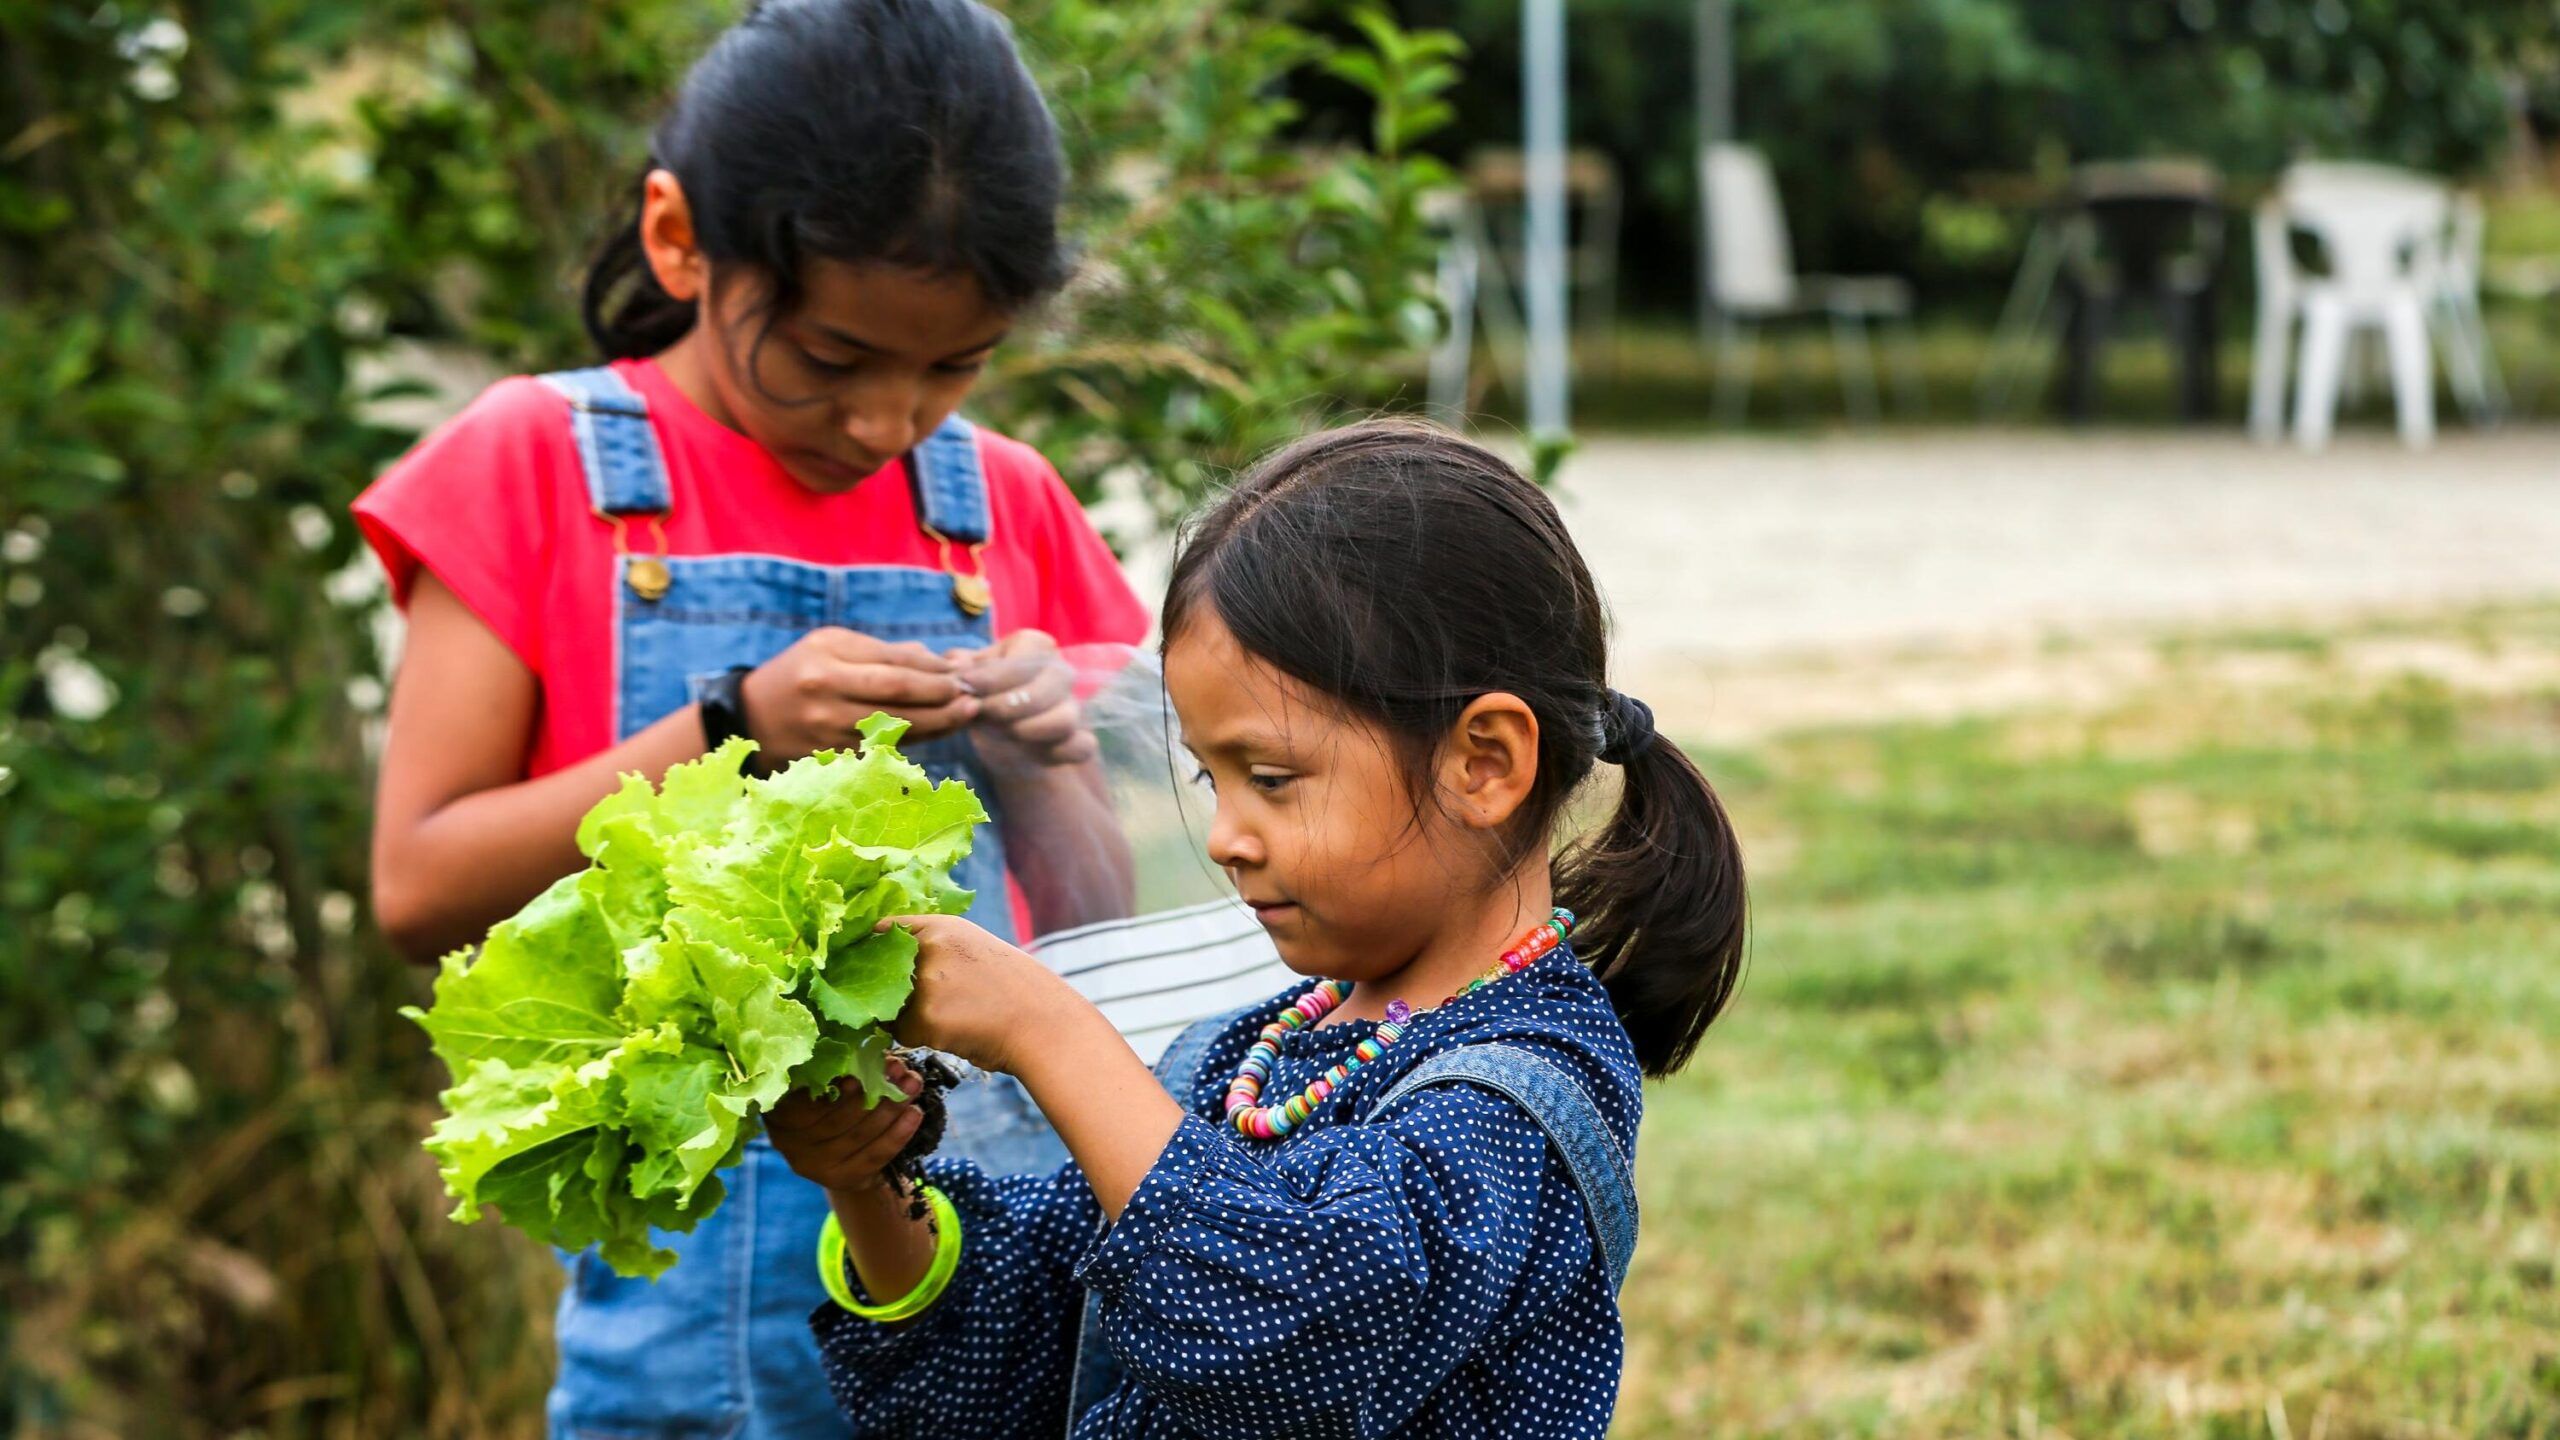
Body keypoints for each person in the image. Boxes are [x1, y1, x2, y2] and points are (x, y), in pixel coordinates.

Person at [351, 2, 1147, 1434]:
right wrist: (729, 720)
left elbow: (1096, 930)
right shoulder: (536, 466)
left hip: (990, 1304)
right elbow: (420, 883)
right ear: (679, 242)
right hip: (684, 1346)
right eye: (836, 360)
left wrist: (1052, 756)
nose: (890, 421)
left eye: (955, 364)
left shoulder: (1004, 503)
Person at [765, 419, 1752, 1437]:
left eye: (1272, 780)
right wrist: (871, 1179)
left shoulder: (1514, 1099)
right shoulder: (1235, 1058)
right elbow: (1018, 1351)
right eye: (1210, 778)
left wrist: (1042, 1028)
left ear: (1484, 763)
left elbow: (1286, 1346)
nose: (1227, 836)